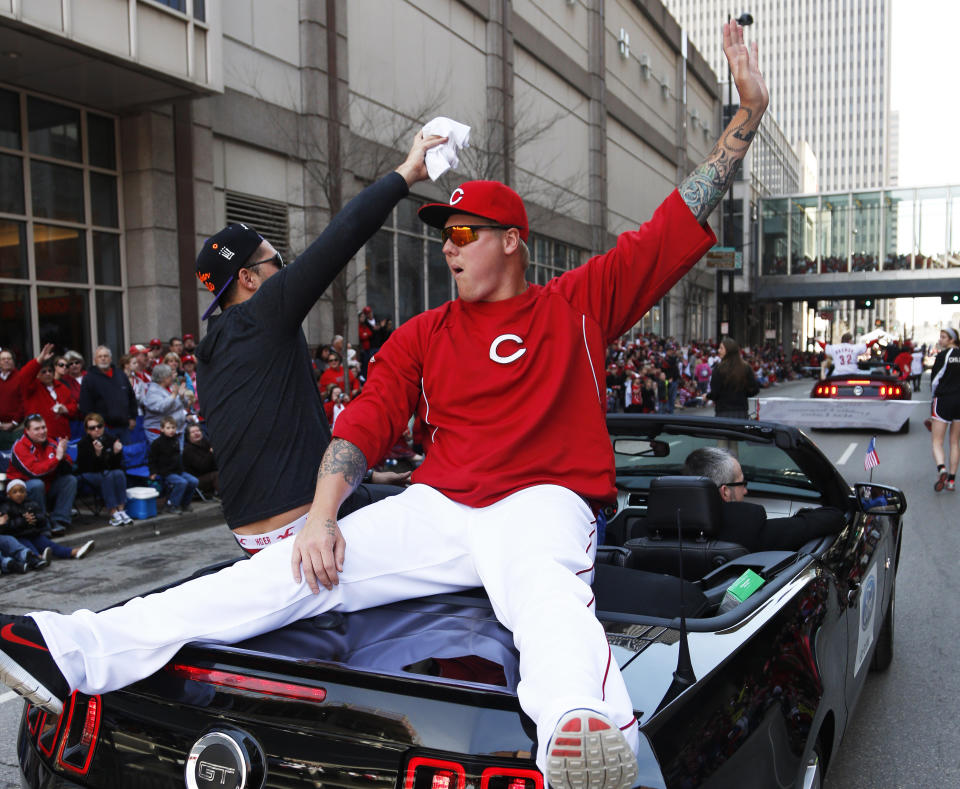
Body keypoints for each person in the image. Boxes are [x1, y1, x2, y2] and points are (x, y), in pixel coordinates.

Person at [0, 23, 767, 789]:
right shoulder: (422, 334)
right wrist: (325, 514)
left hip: (541, 500)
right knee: (281, 575)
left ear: (513, 242)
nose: (449, 244)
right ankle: (73, 647)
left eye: (466, 231)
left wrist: (746, 117)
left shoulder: (579, 303)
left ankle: (580, 729)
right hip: (436, 509)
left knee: (546, 590)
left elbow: (680, 217)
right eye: (444, 232)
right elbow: (362, 425)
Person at [189, 133, 439, 553]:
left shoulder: (210, 351)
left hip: (249, 536)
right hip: (306, 524)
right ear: (249, 279)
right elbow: (343, 235)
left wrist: (369, 476)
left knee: (403, 495)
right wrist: (407, 173)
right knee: (444, 517)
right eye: (278, 263)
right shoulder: (264, 313)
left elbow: (280, 432)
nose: (285, 271)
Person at [683, 448, 844, 551]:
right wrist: (803, 514)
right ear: (725, 492)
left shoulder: (662, 523)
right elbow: (833, 517)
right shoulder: (747, 528)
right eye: (742, 483)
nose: (746, 490)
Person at [6, 414, 77, 535]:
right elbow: (35, 472)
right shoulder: (20, 446)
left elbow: (70, 467)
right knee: (37, 484)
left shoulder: (51, 442)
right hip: (22, 491)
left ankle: (59, 520)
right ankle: (43, 524)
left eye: (43, 427)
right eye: (37, 429)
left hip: (47, 486)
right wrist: (57, 458)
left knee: (69, 480)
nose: (42, 432)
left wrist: (63, 456)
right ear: (27, 431)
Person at [1, 479, 94, 560]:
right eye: (15, 492)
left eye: (21, 491)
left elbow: (43, 519)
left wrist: (35, 519)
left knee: (51, 545)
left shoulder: (31, 504)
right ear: (8, 494)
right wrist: (23, 521)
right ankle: (37, 559)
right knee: (28, 547)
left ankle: (74, 552)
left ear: (26, 493)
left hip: (33, 533)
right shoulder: (6, 507)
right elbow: (6, 526)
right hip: (19, 536)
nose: (19, 494)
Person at [75, 412, 133, 526]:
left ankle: (121, 510)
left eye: (99, 426)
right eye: (92, 428)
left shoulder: (110, 439)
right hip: (89, 473)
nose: (96, 429)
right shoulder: (83, 444)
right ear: (87, 430)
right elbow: (87, 467)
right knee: (108, 475)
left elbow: (116, 465)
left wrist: (116, 454)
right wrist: (97, 454)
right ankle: (112, 512)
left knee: (119, 473)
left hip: (107, 472)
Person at [78, 345, 138, 443]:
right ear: (95, 360)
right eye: (100, 356)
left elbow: (131, 397)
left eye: (105, 356)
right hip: (103, 429)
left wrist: (132, 417)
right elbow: (85, 405)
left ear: (110, 359)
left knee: (126, 456)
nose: (103, 359)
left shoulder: (120, 375)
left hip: (124, 428)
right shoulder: (89, 379)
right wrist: (94, 427)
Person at [928, 327, 960, 491]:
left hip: (943, 400)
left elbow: (935, 380)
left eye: (943, 337)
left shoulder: (943, 356)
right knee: (955, 442)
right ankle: (952, 481)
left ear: (952, 339)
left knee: (937, 441)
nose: (940, 340)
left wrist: (933, 399)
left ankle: (942, 469)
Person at [148, 416, 198, 514]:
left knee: (194, 481)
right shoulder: (157, 443)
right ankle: (171, 504)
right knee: (181, 483)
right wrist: (153, 472)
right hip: (166, 472)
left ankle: (185, 503)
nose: (171, 430)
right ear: (162, 429)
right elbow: (151, 459)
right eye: (168, 428)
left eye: (173, 428)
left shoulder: (176, 440)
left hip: (178, 470)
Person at [21, 360, 78, 442]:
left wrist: (65, 409)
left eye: (50, 371)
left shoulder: (62, 387)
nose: (47, 373)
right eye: (43, 372)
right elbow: (24, 375)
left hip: (62, 436)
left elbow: (74, 407)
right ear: (37, 374)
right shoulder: (31, 387)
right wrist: (39, 359)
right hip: (39, 437)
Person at [708, 337, 760, 419]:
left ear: (728, 350)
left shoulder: (718, 369)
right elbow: (755, 389)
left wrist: (707, 396)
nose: (718, 351)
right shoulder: (746, 367)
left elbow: (715, 393)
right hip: (741, 412)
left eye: (721, 348)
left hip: (723, 413)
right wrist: (742, 394)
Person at [141, 363, 192, 444]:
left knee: (178, 456)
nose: (172, 378)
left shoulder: (172, 387)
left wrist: (182, 397)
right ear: (163, 378)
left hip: (178, 431)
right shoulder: (152, 391)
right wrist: (174, 395)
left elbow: (185, 405)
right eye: (170, 376)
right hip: (159, 433)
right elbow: (161, 407)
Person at [182, 423, 218, 497]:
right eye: (193, 432)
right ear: (188, 436)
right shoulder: (187, 450)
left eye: (198, 431)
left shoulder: (205, 442)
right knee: (217, 475)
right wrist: (210, 453)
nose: (196, 433)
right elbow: (202, 467)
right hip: (197, 479)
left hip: (210, 473)